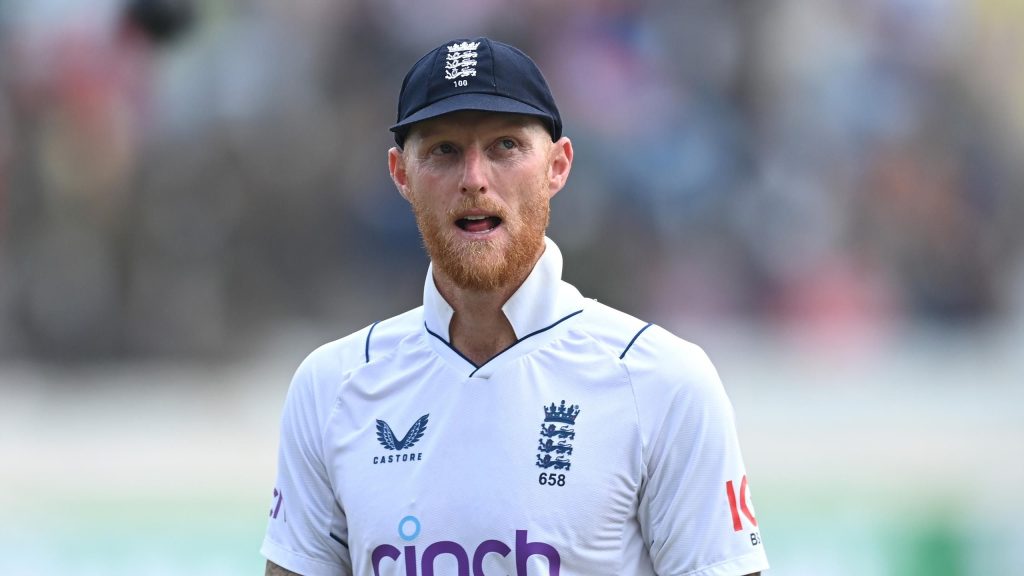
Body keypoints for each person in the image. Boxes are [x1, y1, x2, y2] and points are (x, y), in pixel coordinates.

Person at [261, 36, 769, 576]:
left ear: (557, 166)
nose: (474, 179)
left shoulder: (663, 381)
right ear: (401, 174)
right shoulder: (331, 386)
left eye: (505, 146)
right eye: (443, 150)